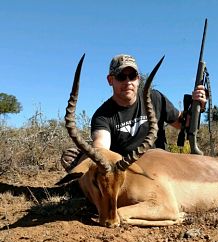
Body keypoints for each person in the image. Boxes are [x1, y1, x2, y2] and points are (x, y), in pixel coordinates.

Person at [61, 54, 207, 172]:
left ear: (138, 79)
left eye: (132, 76)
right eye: (121, 77)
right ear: (110, 80)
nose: (128, 81)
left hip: (161, 165)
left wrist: (198, 106)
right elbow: (101, 147)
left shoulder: (155, 98)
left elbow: (183, 124)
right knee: (71, 156)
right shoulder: (102, 115)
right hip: (127, 170)